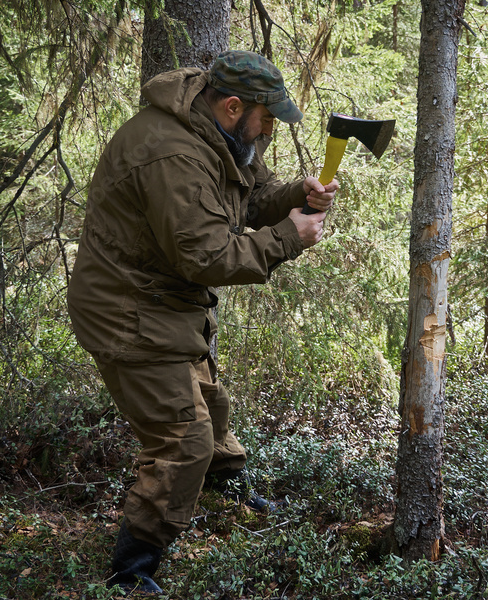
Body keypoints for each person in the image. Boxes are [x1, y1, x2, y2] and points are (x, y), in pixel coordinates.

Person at [66, 51, 338, 593]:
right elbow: (208, 255)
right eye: (265, 119)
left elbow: (249, 195)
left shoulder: (216, 130)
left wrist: (295, 196)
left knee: (209, 403)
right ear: (234, 107)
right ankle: (132, 569)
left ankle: (225, 493)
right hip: (126, 310)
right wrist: (288, 237)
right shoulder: (171, 156)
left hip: (165, 303)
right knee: (183, 438)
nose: (268, 133)